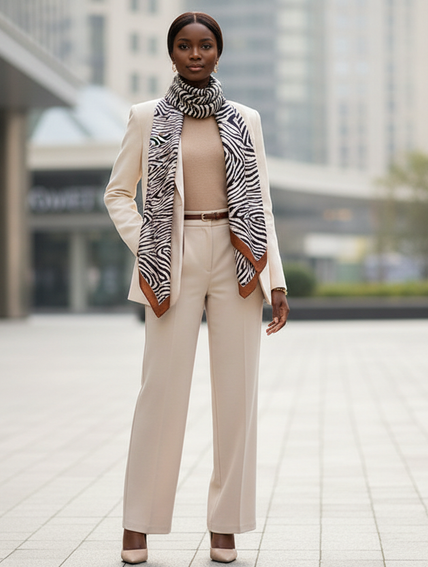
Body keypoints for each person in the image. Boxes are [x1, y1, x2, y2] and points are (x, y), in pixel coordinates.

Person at [103, 11, 289, 564]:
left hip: (237, 259)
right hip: (172, 259)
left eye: (205, 45)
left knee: (237, 397)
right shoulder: (145, 117)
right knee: (159, 393)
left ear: (218, 51)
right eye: (184, 45)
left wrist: (275, 280)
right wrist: (152, 243)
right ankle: (138, 523)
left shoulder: (245, 119)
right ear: (171, 53)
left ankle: (225, 526)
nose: (195, 54)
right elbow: (118, 192)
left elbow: (263, 204)